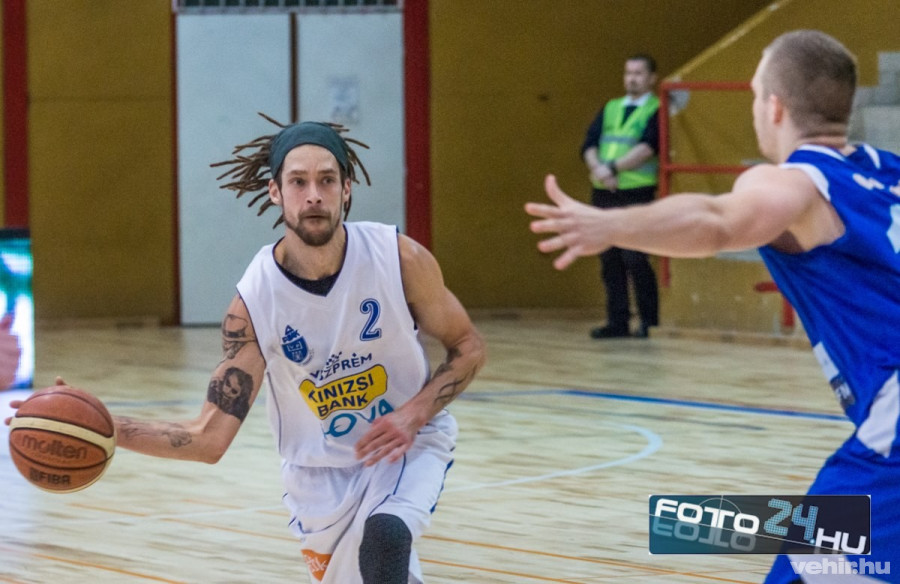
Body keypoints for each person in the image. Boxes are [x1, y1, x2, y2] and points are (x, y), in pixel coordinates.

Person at [8, 119, 486, 584]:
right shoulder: (255, 303)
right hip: (318, 478)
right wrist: (105, 425)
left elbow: (468, 347)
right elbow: (208, 439)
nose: (314, 194)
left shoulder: (399, 258)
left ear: (347, 190)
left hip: (406, 445)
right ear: (275, 192)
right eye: (298, 181)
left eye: (327, 180)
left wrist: (414, 415)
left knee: (385, 536)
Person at [527, 30, 900, 583]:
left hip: (893, 427)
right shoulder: (889, 171)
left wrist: (609, 224)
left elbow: (717, 221)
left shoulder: (799, 181)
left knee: (803, 560)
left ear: (773, 107)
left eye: (754, 95)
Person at [580, 53, 661, 339]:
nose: (632, 79)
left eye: (638, 73)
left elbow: (648, 147)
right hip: (605, 191)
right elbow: (589, 144)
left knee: (636, 257)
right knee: (609, 259)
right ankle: (617, 321)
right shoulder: (611, 107)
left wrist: (613, 168)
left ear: (651, 78)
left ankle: (649, 320)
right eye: (628, 73)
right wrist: (600, 171)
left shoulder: (656, 109)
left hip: (636, 191)